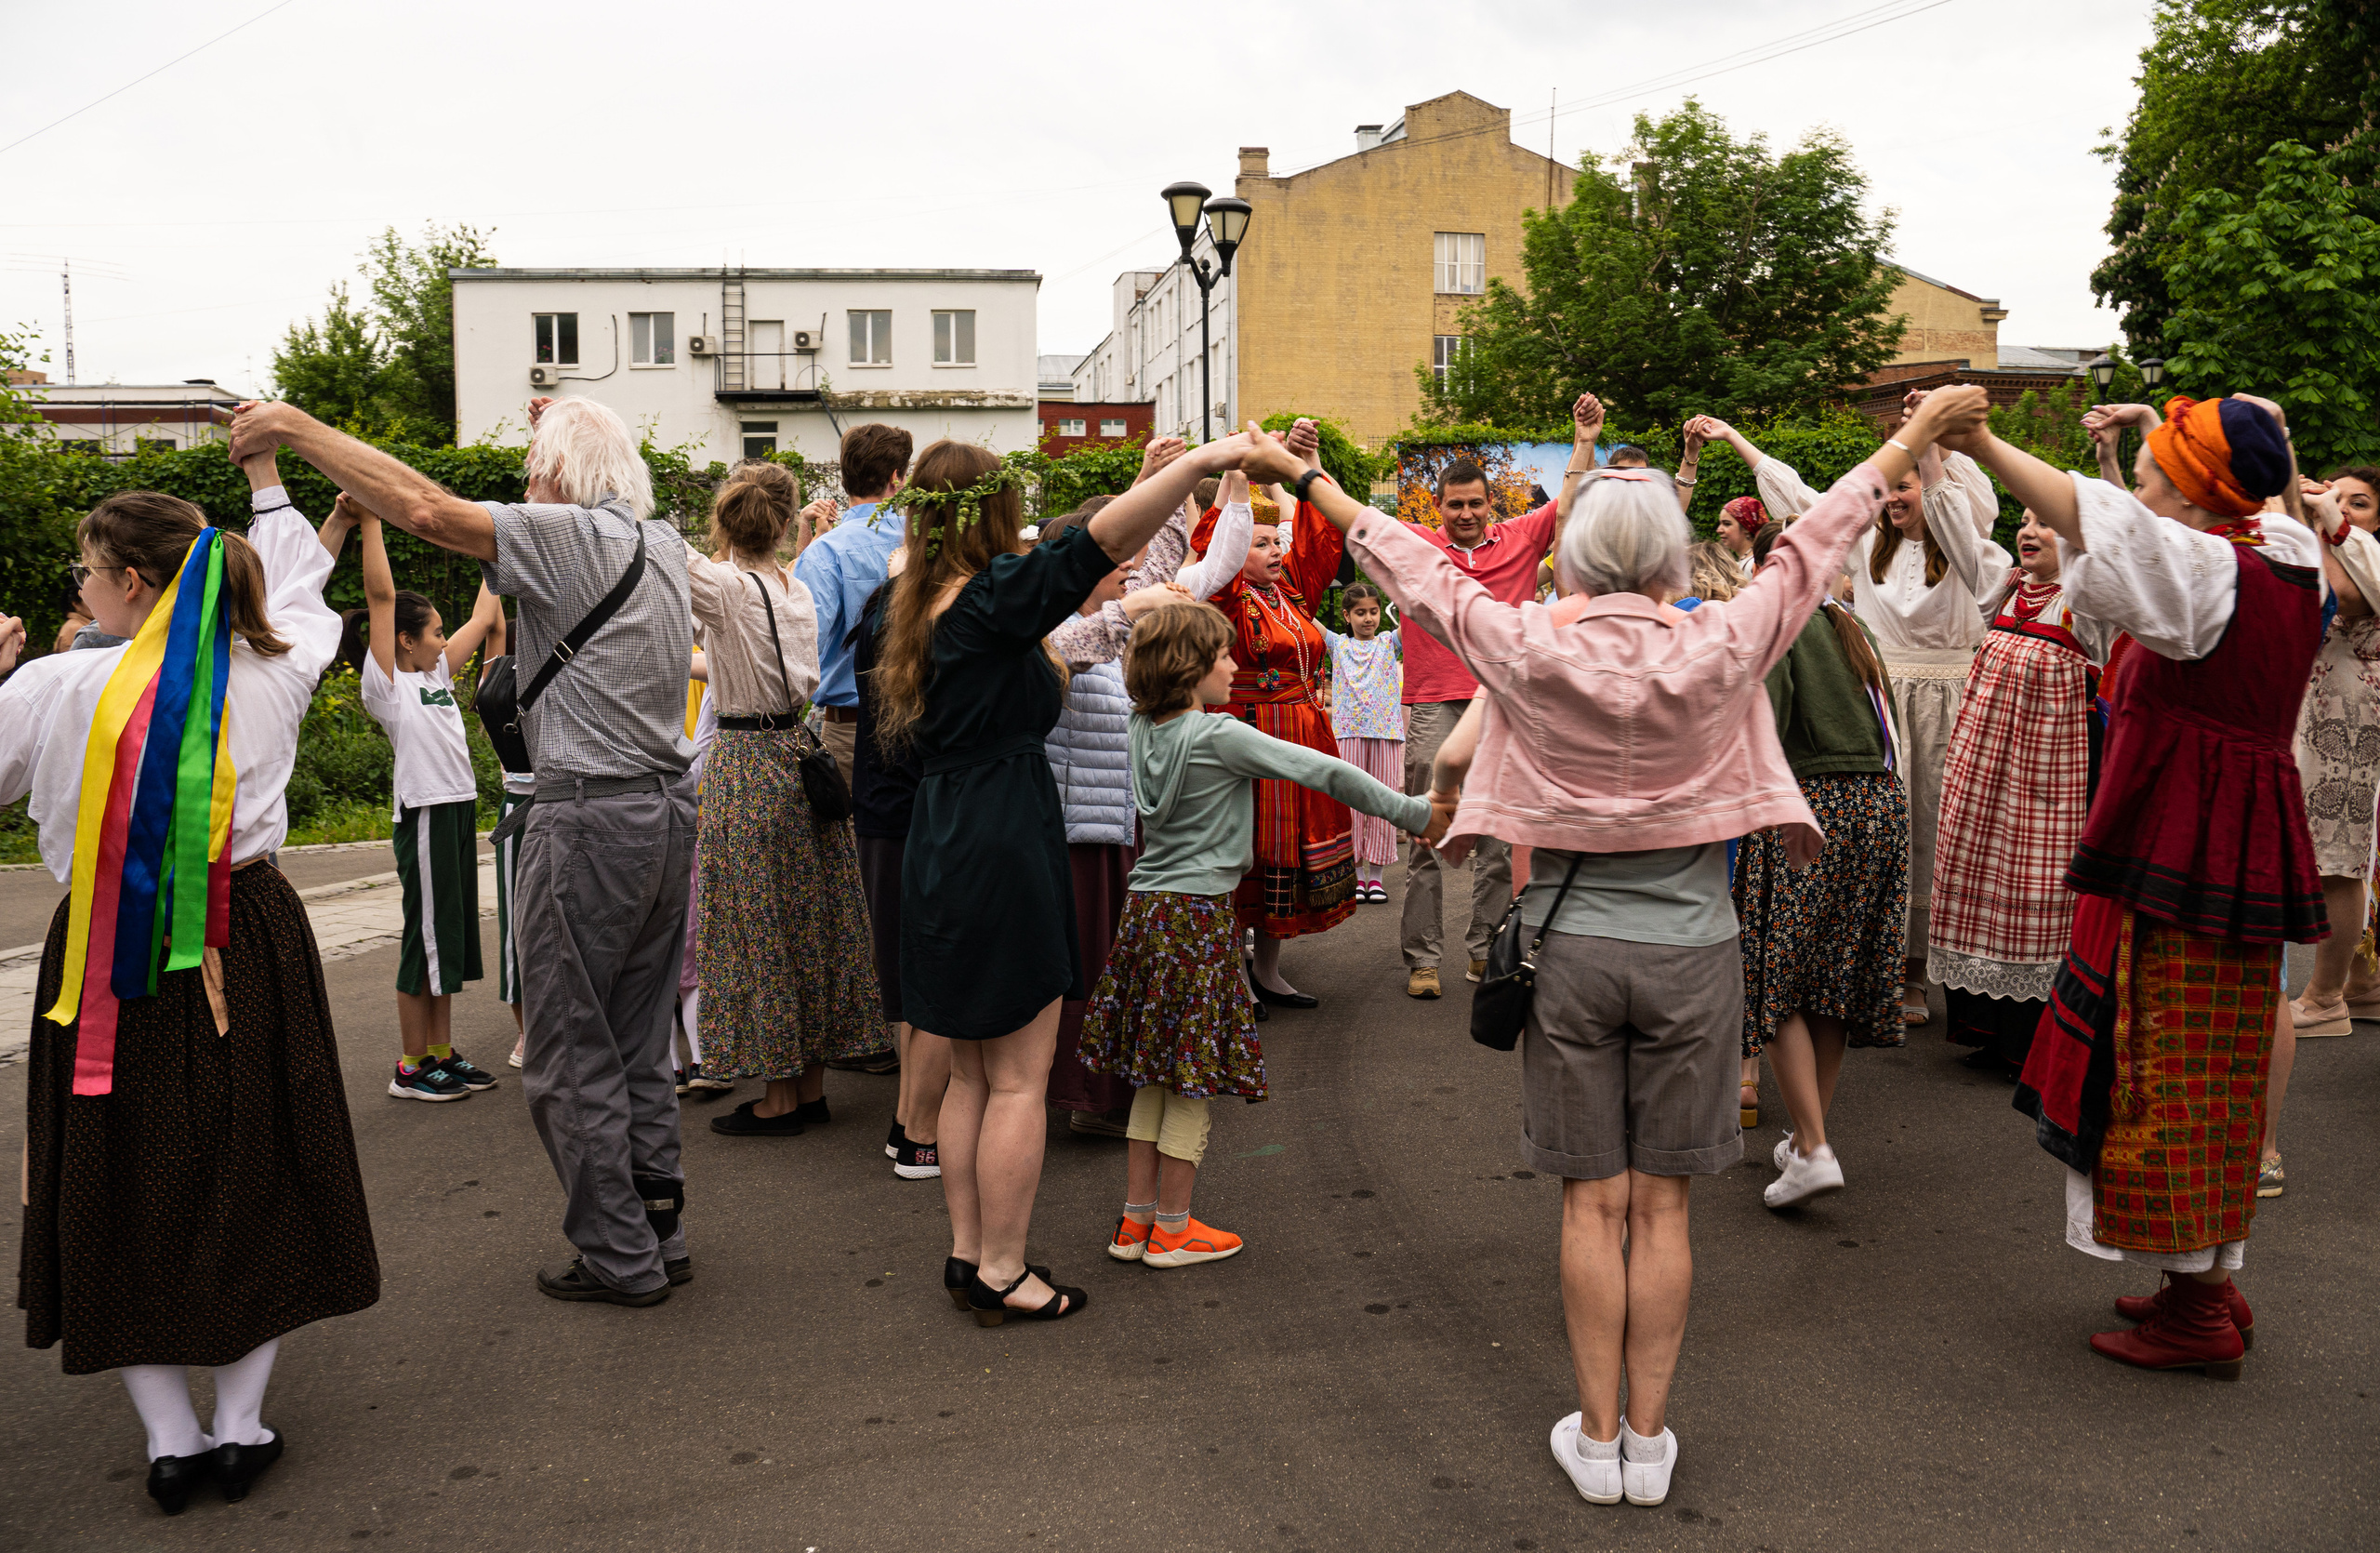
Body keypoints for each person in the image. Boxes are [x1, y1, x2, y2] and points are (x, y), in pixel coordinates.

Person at [1241, 387, 1983, 1507]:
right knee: (1666, 1205)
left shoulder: (1527, 640)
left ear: (1576, 556)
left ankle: (1594, 1439)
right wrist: (1913, 438)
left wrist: (1300, 476)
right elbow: (1822, 532)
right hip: (1697, 954)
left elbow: (1405, 561)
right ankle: (1647, 1434)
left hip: (1568, 949)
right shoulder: (1723, 638)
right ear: (1673, 557)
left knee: (1592, 1200)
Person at [231, 392, 700, 1309]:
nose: (521, 492)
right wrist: (570, 412)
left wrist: (294, 429)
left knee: (567, 1048)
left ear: (560, 480)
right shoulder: (665, 544)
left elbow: (429, 512)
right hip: (667, 814)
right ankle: (661, 1226)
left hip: (588, 822)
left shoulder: (564, 536)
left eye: (532, 472)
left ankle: (620, 1255)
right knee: (638, 1038)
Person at [7, 451, 377, 1512]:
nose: (78, 589)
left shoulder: (53, 685)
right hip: (248, 933)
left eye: (87, 571)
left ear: (130, 582)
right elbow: (302, 591)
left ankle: (172, 1439)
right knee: (251, 1158)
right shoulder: (282, 662)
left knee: (115, 1169)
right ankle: (239, 1422)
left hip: (104, 956)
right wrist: (276, 485)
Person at [873, 430, 1260, 1325]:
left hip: (943, 835)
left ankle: (971, 1256)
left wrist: (1162, 485)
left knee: (973, 1075)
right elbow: (1098, 546)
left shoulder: (921, 604)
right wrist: (1199, 464)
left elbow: (1108, 570)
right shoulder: (991, 602)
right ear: (991, 511)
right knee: (1017, 1079)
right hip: (1001, 838)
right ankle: (1006, 1269)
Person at [1975, 392, 2323, 1379]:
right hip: (2228, 829)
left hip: (2189, 835)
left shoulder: (2212, 565)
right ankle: (2197, 1276)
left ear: (2193, 485)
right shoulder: (2284, 549)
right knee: (2207, 1058)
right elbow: (2261, 479)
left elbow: (2101, 518)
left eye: (2157, 460)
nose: (2139, 473)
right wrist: (2243, 428)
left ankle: (2199, 1308)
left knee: (2163, 1059)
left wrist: (1978, 438)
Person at [1082, 599, 1439, 1269]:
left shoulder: (1140, 728)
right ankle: (1176, 1227)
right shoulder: (1218, 735)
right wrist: (1412, 811)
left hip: (1147, 914)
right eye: (1221, 654)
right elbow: (1325, 771)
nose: (1232, 663)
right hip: (1198, 918)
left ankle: (1134, 1224)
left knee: (1153, 1074)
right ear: (1190, 669)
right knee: (1192, 1074)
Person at [1696, 403, 2008, 1026]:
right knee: (1890, 831)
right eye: (1888, 488)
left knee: (1935, 835)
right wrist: (1735, 439)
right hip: (1885, 697)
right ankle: (1882, 967)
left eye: (1906, 486)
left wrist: (1930, 444)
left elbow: (1955, 504)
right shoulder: (1867, 548)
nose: (1895, 497)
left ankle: (1920, 972)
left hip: (1948, 697)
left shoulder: (1968, 549)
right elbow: (1808, 504)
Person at [680, 462, 882, 1136]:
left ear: (726, 523)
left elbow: (659, 553)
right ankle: (813, 1086)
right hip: (799, 753)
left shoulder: (729, 589)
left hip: (746, 760)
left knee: (754, 925)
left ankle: (779, 1098)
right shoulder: (793, 586)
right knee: (811, 919)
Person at [1043, 488, 1249, 1129]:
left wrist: (1223, 486)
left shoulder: (1109, 624)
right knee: (1087, 973)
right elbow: (1064, 655)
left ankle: (1109, 1094)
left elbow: (1207, 566)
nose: (1132, 570)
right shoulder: (1059, 631)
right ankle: (1086, 1097)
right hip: (1078, 827)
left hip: (1113, 821)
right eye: (1116, 560)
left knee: (1111, 969)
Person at [1733, 522, 1911, 1206]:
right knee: (1831, 982)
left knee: (1775, 980)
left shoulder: (1781, 627)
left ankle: (1811, 1145)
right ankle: (1813, 1139)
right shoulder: (1850, 628)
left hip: (1812, 808)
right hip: (1879, 810)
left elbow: (1764, 730)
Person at [1398, 394, 1600, 998]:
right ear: (1438, 508)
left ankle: (1485, 950)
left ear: (1492, 506)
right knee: (1427, 835)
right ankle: (1423, 959)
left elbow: (1571, 502)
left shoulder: (1518, 540)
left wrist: (1584, 439)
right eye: (1454, 505)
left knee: (1497, 840)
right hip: (1435, 704)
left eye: (1475, 505)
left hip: (1502, 706)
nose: (1465, 514)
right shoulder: (1416, 546)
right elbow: (1353, 517)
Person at [322, 501, 503, 1102]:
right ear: (405, 640)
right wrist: (371, 522)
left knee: (446, 935)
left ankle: (442, 1053)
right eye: (434, 631)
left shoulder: (436, 677)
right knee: (421, 938)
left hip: (455, 810)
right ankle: (410, 1065)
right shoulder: (390, 686)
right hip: (424, 814)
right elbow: (381, 596)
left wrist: (500, 540)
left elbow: (483, 615)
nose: (445, 638)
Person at [1926, 508, 2115, 1079]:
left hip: (2049, 779)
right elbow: (1955, 527)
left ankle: (2031, 1042)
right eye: (2026, 520)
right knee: (1978, 879)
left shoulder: (2089, 605)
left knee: (2038, 888)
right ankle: (1984, 1027)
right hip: (1983, 774)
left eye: (2047, 522)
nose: (2029, 531)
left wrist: (2105, 465)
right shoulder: (2005, 587)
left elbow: (2109, 545)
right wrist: (1932, 442)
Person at [1183, 421, 1356, 1008]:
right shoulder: (1227, 595)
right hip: (1250, 734)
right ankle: (1233, 975)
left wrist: (1303, 462)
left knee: (1288, 854)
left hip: (1301, 733)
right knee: (1247, 850)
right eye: (1261, 544)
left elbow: (1321, 535)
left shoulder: (1295, 593)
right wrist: (1237, 471)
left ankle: (1269, 969)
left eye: (1276, 541)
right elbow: (1220, 550)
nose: (1275, 550)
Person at [2279, 462, 2380, 1037]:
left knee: (2337, 861)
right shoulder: (2340, 548)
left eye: (2358, 502)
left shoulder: (2361, 563)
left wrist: (2318, 516)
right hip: (2320, 708)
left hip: (2347, 716)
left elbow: (2336, 595)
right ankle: (2363, 984)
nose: (2341, 507)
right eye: (2334, 495)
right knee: (2339, 851)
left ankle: (2323, 1000)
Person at [795, 422, 913, 790]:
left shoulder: (825, 551)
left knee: (846, 844)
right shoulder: (928, 541)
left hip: (848, 729)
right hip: (923, 727)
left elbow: (803, 650)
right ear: (897, 477)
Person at [1323, 581, 1403, 903]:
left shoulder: (1388, 643)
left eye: (1372, 611)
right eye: (1360, 612)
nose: (1368, 618)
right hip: (1348, 732)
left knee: (1383, 802)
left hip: (1385, 732)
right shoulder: (1338, 645)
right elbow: (1305, 618)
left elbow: (1412, 617)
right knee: (1352, 804)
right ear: (1346, 615)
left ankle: (1378, 878)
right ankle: (1357, 875)